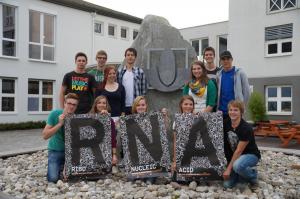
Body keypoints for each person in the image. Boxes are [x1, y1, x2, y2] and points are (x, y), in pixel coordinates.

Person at [217, 50, 250, 161]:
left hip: (235, 113)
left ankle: (239, 162)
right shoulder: (219, 74)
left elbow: (247, 92)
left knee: (237, 139)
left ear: (231, 59)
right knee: (224, 139)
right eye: (223, 59)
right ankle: (227, 162)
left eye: (228, 59)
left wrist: (241, 108)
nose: (226, 61)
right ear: (221, 61)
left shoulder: (240, 72)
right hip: (222, 111)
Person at [223, 100, 261, 189]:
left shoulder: (246, 128)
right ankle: (241, 175)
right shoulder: (225, 123)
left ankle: (253, 176)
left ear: (241, 112)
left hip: (250, 155)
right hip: (235, 157)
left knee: (237, 166)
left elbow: (238, 151)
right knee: (227, 185)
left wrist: (228, 169)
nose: (232, 112)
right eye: (230, 110)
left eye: (236, 110)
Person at [42, 93, 79, 183]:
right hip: (56, 150)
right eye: (69, 103)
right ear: (64, 103)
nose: (71, 106)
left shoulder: (77, 118)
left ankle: (63, 167)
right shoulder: (55, 114)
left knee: (78, 176)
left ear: (76, 106)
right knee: (53, 179)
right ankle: (60, 167)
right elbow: (45, 136)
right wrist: (59, 124)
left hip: (71, 153)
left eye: (74, 105)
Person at [89, 95, 118, 168]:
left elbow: (113, 139)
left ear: (106, 105)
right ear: (95, 105)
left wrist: (114, 155)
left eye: (104, 103)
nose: (101, 105)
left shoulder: (110, 120)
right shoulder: (88, 117)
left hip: (105, 150)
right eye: (99, 103)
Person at [118, 48, 147, 115]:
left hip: (137, 106)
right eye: (128, 55)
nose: (130, 57)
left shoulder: (140, 71)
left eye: (132, 55)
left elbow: (144, 90)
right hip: (123, 106)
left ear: (135, 57)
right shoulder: (120, 72)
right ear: (125, 57)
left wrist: (140, 105)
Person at [172, 96, 195, 177]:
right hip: (181, 155)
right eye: (186, 104)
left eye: (190, 104)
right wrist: (174, 161)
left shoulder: (198, 119)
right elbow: (175, 142)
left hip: (195, 156)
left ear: (193, 106)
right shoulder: (176, 120)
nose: (188, 106)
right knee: (178, 179)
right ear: (181, 105)